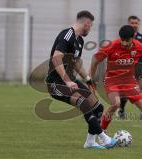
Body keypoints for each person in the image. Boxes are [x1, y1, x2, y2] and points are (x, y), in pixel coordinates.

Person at [45, 10, 117, 149]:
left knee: (98, 107)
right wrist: (67, 80)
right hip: (56, 83)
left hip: (70, 81)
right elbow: (56, 58)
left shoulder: (79, 40)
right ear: (86, 23)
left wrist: (88, 80)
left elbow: (77, 63)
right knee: (83, 103)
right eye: (90, 26)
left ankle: (90, 142)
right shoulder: (67, 35)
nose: (90, 29)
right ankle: (104, 138)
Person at [118, 15, 142, 119]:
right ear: (128, 24)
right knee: (125, 90)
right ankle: (121, 110)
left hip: (139, 66)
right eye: (132, 23)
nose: (134, 25)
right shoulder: (123, 37)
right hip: (127, 66)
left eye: (136, 23)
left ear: (139, 25)